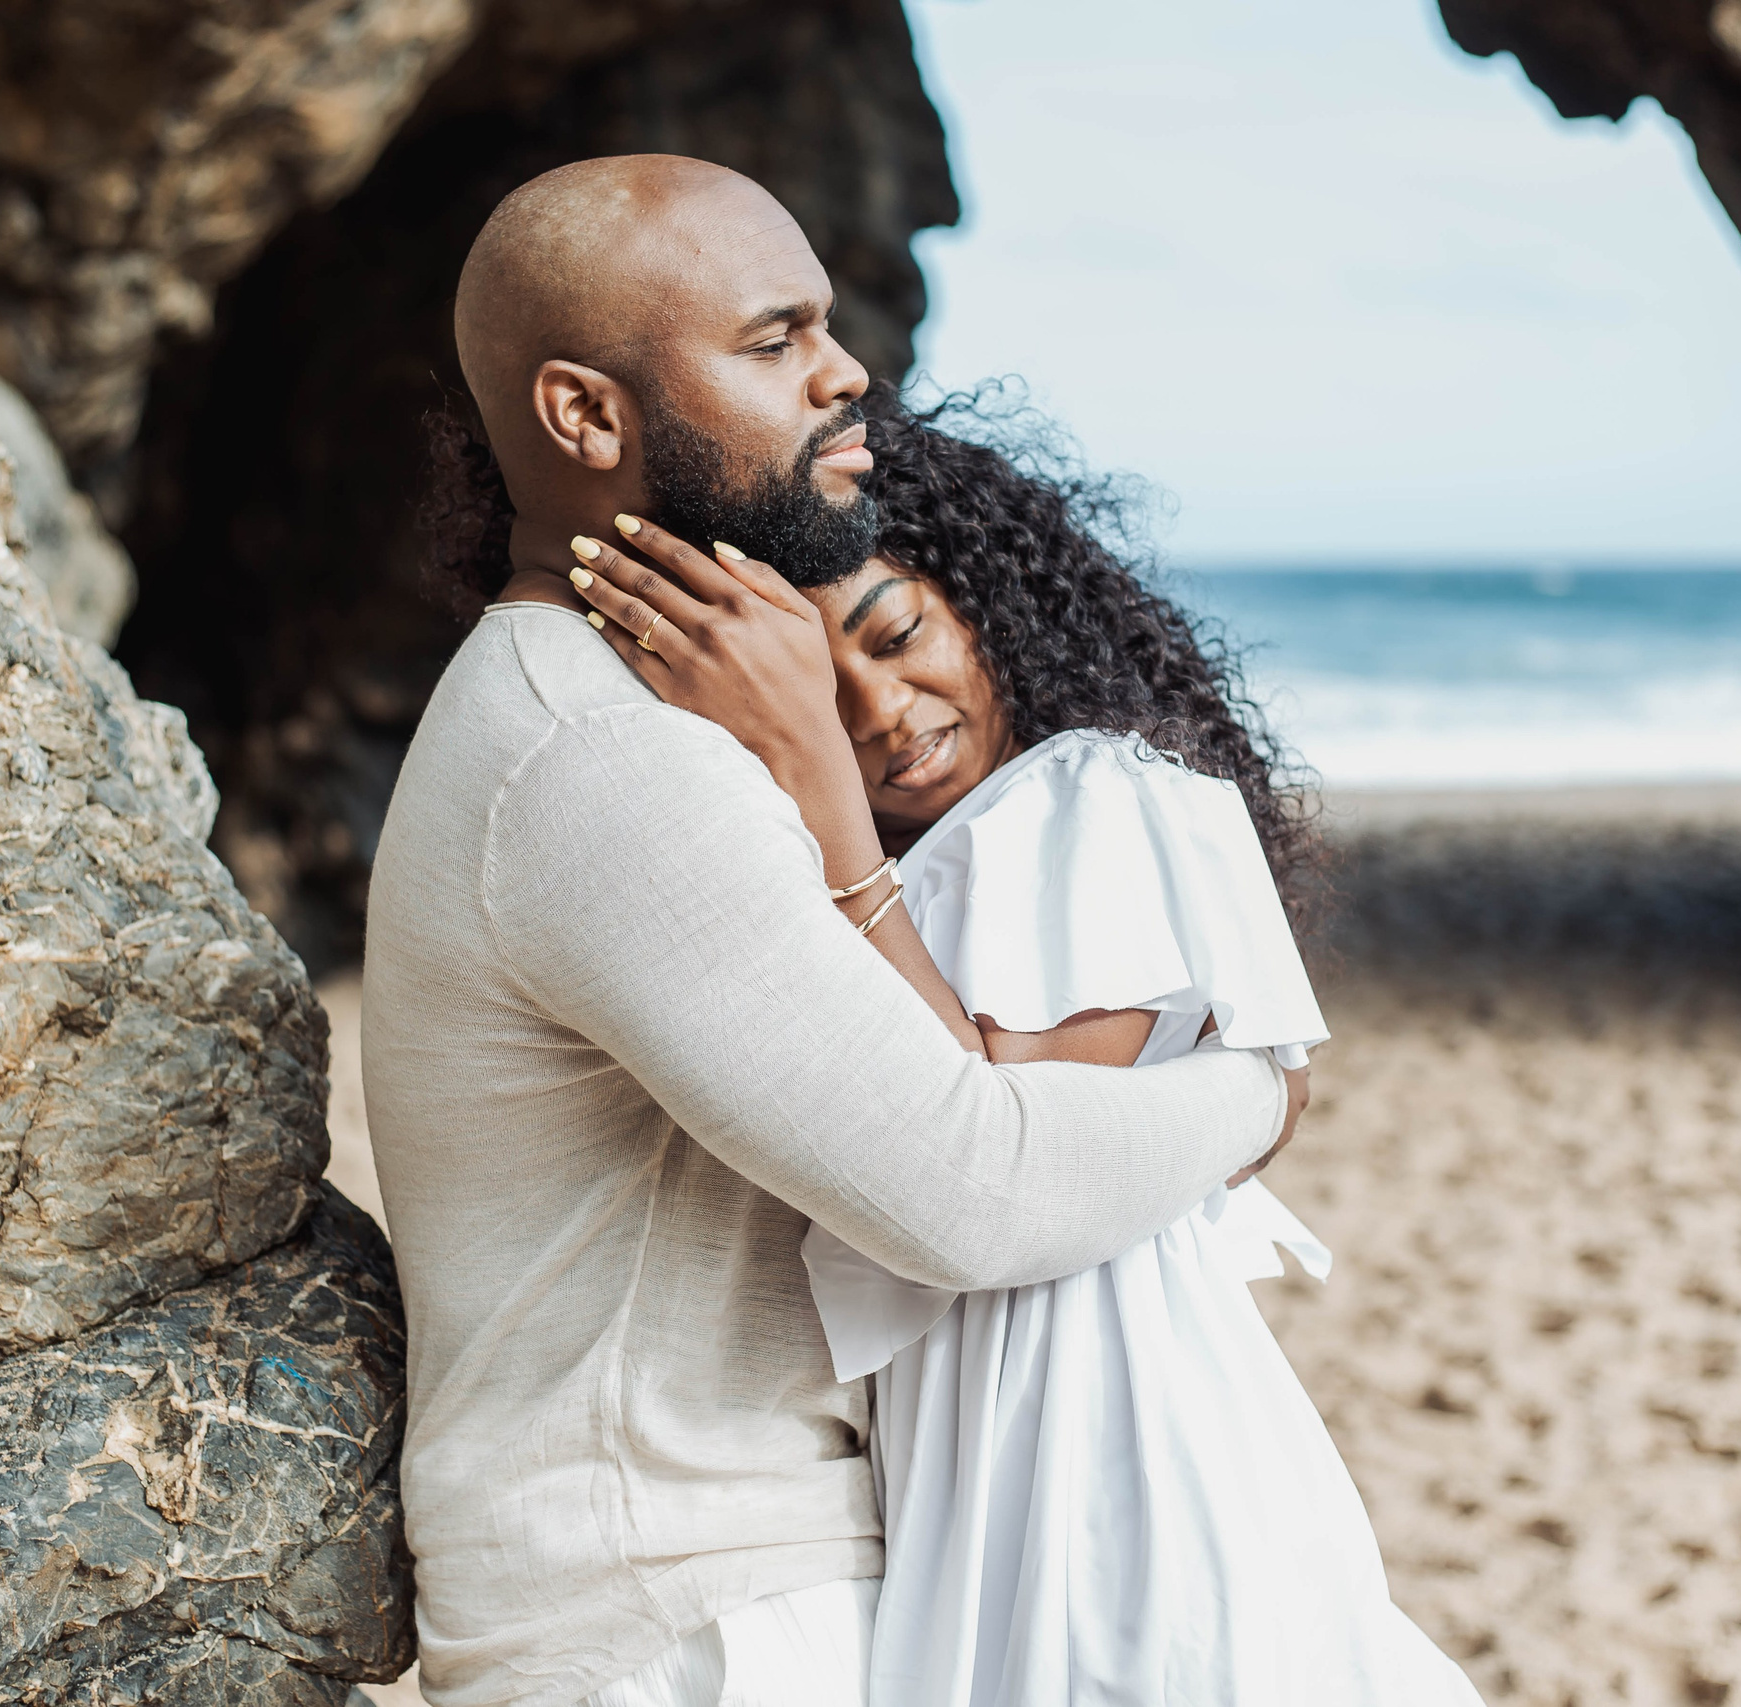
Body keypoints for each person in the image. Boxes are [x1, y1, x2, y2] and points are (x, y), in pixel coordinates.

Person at [367, 155, 1300, 1706]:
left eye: (829, 324)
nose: (845, 370)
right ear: (587, 418)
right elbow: (972, 1191)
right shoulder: (603, 757)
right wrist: (1263, 1086)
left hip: (729, 1601)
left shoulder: (605, 718)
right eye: (772, 337)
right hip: (686, 1623)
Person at [793, 392, 1486, 1703]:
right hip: (975, 1444)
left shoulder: (1090, 795)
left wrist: (838, 844)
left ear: (988, 601)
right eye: (823, 702)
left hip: (1112, 1434)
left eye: (899, 636)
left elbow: (986, 1128)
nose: (881, 711)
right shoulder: (926, 861)